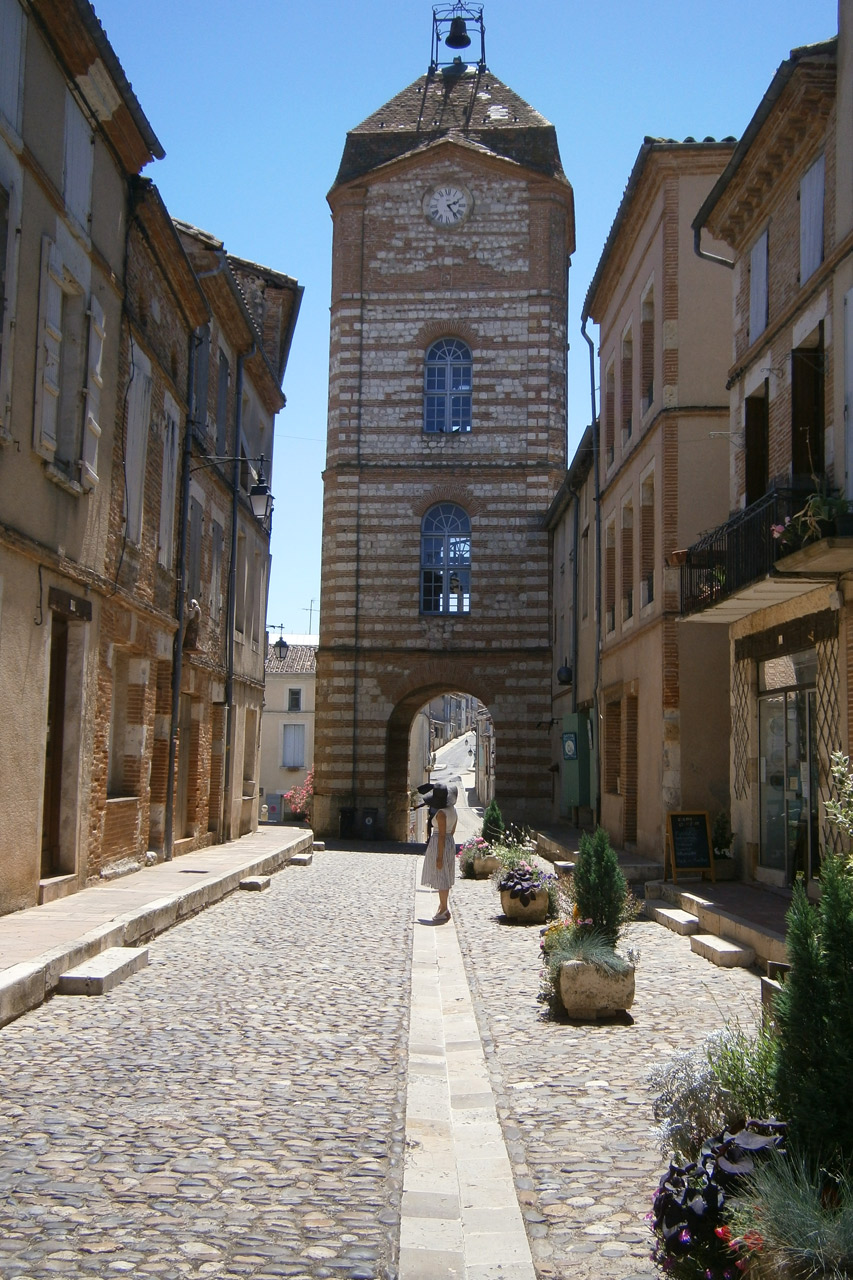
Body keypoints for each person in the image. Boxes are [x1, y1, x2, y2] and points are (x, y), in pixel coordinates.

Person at [420, 782, 458, 923]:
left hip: (440, 843)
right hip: (449, 842)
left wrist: (439, 856)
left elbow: (441, 835)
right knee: (445, 877)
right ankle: (442, 906)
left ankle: (443, 909)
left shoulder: (441, 814)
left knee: (442, 877)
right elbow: (452, 830)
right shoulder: (453, 810)